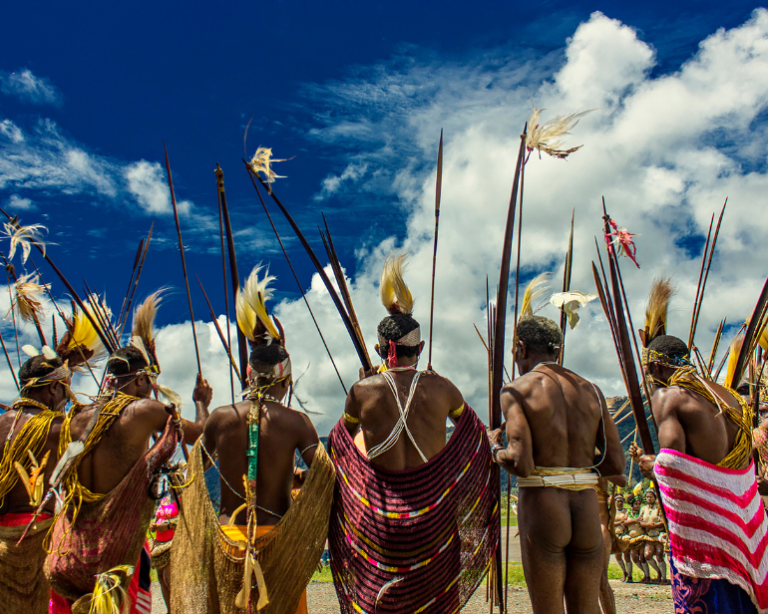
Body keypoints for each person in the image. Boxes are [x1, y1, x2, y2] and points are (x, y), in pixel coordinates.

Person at [328, 254, 499, 614]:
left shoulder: (362, 391)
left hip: (378, 522)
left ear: (380, 350)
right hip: (434, 522)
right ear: (419, 349)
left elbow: (338, 448)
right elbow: (477, 438)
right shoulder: (445, 390)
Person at [171, 266, 336, 614]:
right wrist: (299, 481)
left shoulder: (220, 416)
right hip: (279, 542)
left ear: (248, 374)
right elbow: (326, 474)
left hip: (229, 541)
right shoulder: (296, 422)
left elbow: (193, 476)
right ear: (287, 378)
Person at [46, 292, 211, 614]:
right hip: (118, 554)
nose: (152, 387)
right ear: (140, 380)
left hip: (70, 550)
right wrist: (202, 402)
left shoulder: (74, 419)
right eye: (149, 381)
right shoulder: (144, 410)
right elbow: (201, 435)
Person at [488, 314, 625, 614]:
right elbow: (615, 463)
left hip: (544, 507)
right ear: (557, 350)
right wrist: (575, 470)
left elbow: (520, 462)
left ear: (521, 348)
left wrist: (493, 447)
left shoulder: (516, 390)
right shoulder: (591, 389)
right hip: (587, 508)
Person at [631, 326, 767, 612]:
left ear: (655, 365)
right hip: (742, 527)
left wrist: (652, 464)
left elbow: (674, 464)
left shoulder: (668, 397)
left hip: (708, 532)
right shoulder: (733, 399)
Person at [0, 310, 102, 613]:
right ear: (54, 388)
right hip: (40, 537)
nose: (66, 399)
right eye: (64, 391)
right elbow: (101, 423)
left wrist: (64, 367)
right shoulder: (57, 428)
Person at [596, 474, 626, 614]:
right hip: (574, 521)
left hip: (599, 522)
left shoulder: (600, 454)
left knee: (600, 580)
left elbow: (622, 480)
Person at [637, 488, 666, 584]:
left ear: (655, 498)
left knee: (659, 556)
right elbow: (640, 521)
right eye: (648, 497)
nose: (649, 499)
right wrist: (647, 525)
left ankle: (664, 578)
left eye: (651, 497)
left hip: (657, 535)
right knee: (647, 555)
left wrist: (654, 525)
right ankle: (658, 571)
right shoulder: (643, 509)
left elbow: (663, 522)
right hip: (648, 536)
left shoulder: (659, 508)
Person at [611, 493, 631, 582]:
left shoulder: (627, 511)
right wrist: (620, 522)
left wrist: (624, 522)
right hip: (615, 534)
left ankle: (630, 575)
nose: (620, 503)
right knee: (617, 556)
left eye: (621, 501)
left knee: (627, 555)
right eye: (618, 501)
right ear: (615, 502)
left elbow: (628, 521)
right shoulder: (612, 511)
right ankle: (624, 571)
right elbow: (610, 523)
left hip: (624, 534)